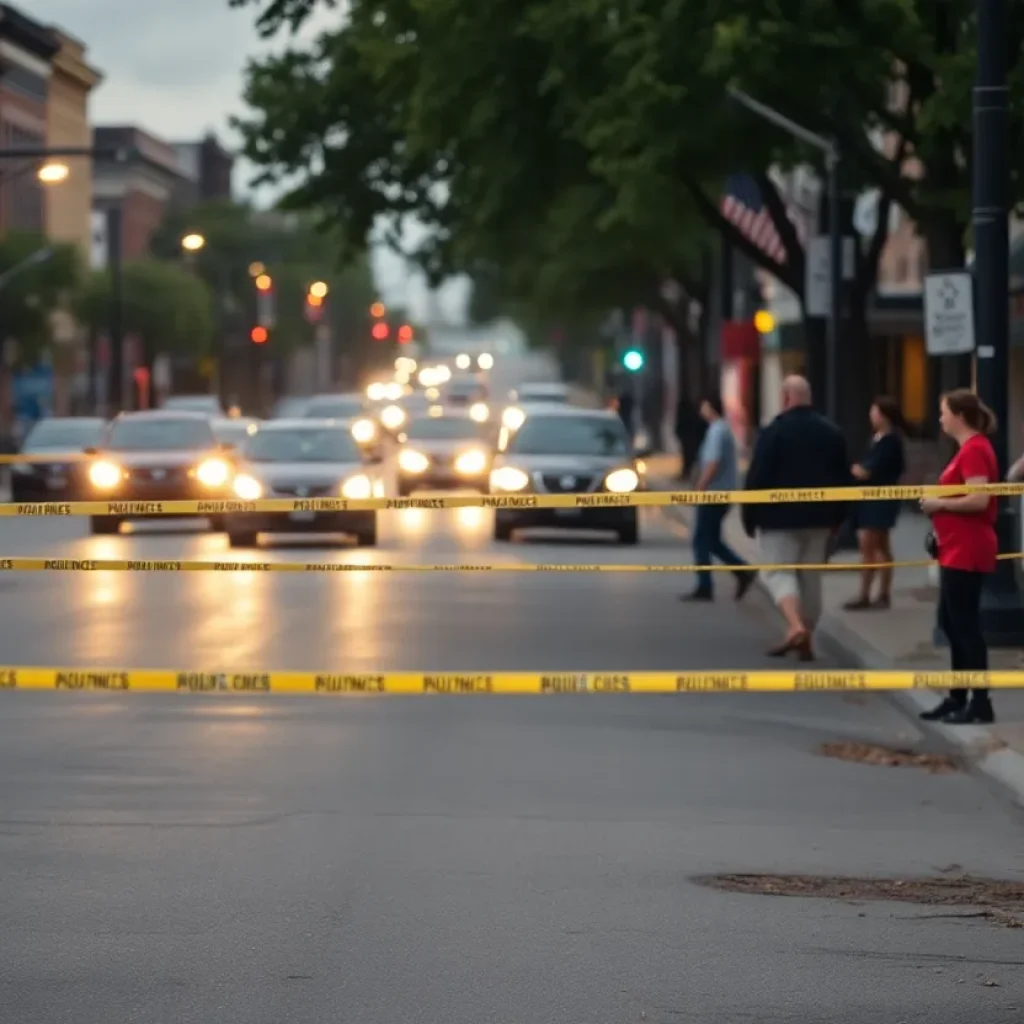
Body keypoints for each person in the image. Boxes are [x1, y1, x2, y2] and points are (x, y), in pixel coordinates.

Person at [742, 376, 852, 660]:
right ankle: (807, 638)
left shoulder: (774, 432)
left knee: (780, 572)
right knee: (810, 578)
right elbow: (845, 479)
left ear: (786, 397)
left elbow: (757, 476)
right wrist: (840, 518)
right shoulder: (832, 432)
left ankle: (794, 625)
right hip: (820, 520)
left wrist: (749, 515)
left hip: (778, 519)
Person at [919, 389, 999, 725]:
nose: (940, 418)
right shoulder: (966, 450)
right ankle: (957, 696)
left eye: (943, 412)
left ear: (959, 416)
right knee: (951, 623)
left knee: (965, 626)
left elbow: (979, 499)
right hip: (953, 547)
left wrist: (941, 504)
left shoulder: (975, 450)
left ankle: (979, 702)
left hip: (967, 549)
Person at [680, 395, 752, 602]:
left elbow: (713, 462)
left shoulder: (716, 431)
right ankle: (742, 571)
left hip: (714, 494)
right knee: (712, 540)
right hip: (722, 493)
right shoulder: (723, 429)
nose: (700, 409)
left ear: (709, 406)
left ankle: (705, 585)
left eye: (703, 405)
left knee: (701, 539)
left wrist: (699, 489)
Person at [844, 396, 907, 610]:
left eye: (875, 412)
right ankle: (881, 593)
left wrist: (855, 470)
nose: (871, 416)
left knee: (870, 546)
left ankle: (867, 594)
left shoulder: (890, 441)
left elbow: (868, 470)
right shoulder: (876, 438)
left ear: (884, 415)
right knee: (880, 546)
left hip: (879, 499)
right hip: (870, 498)